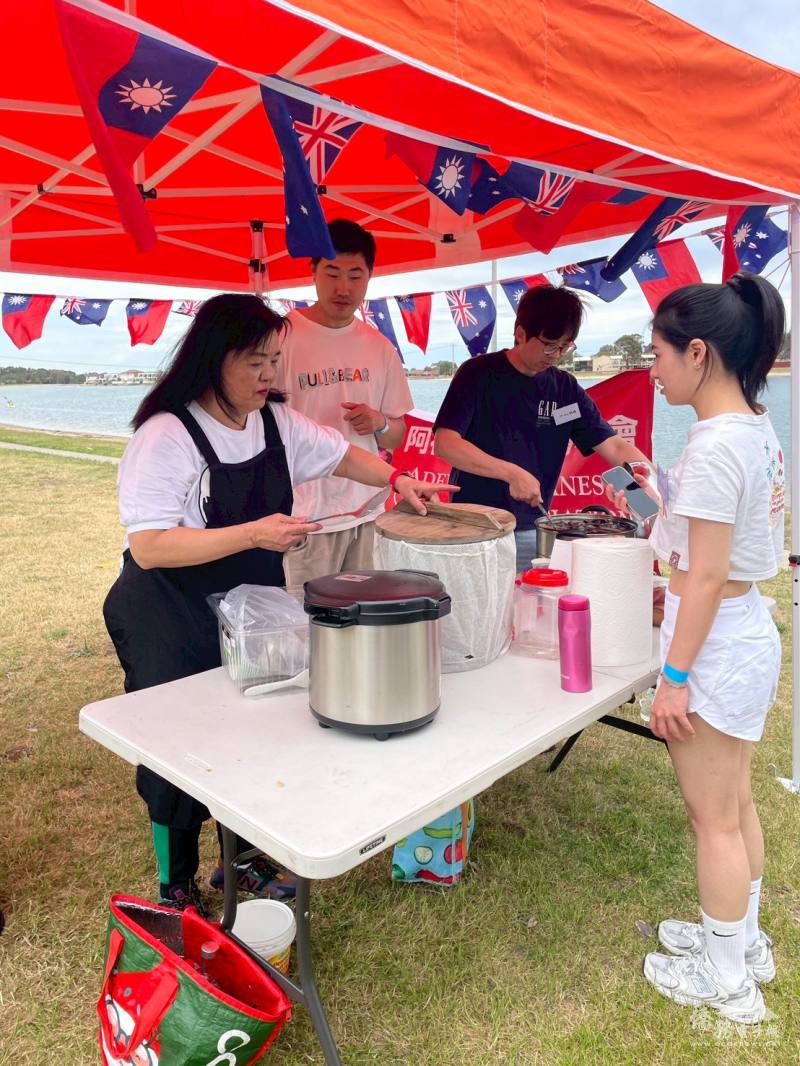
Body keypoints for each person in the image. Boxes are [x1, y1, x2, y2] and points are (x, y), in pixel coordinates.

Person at [103, 293, 454, 911]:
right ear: (214, 360)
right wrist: (255, 535)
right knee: (176, 749)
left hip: (246, 608)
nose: (271, 376)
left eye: (274, 361)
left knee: (249, 733)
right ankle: (174, 881)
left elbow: (345, 454)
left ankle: (240, 862)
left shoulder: (275, 421)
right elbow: (152, 545)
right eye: (256, 364)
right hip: (167, 607)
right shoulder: (167, 435)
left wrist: (397, 478)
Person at [612, 273, 784, 1024]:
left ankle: (726, 980)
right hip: (743, 634)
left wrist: (674, 677)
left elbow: (706, 576)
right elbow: (708, 548)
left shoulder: (718, 447)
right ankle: (741, 941)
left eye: (658, 353)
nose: (653, 369)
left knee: (710, 815)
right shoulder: (752, 427)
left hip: (717, 642)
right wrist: (659, 491)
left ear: (699, 353)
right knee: (734, 799)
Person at [433, 284, 652, 573]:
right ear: (520, 333)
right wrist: (511, 473)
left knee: (533, 607)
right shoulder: (478, 374)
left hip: (534, 529)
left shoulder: (565, 390)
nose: (556, 354)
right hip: (475, 528)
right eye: (550, 344)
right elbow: (446, 443)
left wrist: (646, 489)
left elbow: (612, 445)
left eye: (565, 346)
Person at [275, 218, 413, 585]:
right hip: (303, 516)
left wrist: (380, 423)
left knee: (362, 622)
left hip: (367, 511)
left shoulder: (380, 347)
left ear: (369, 277)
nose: (343, 287)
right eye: (332, 273)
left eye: (355, 275)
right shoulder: (281, 338)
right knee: (304, 628)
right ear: (313, 272)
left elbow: (396, 435)